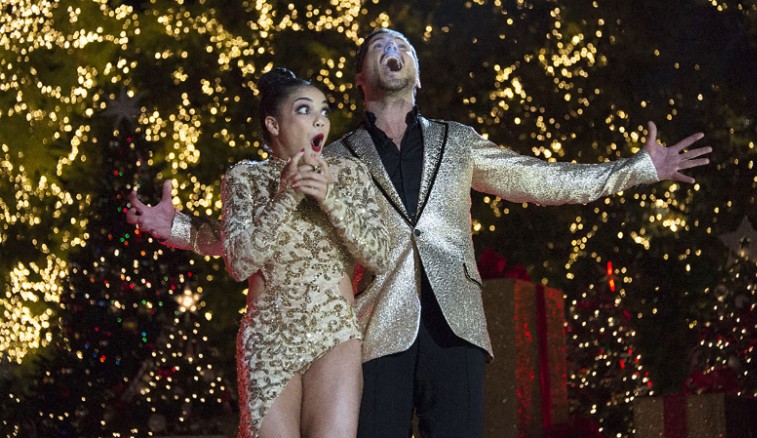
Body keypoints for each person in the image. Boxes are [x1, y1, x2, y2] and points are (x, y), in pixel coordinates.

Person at [128, 29, 712, 438]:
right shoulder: (336, 157)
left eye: (403, 46)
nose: (393, 49)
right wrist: (174, 226)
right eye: (379, 46)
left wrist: (639, 169)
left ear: (417, 74)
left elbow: (543, 179)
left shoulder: (458, 142)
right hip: (374, 331)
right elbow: (254, 236)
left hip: (456, 328)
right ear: (360, 80)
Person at [128, 67, 390, 437]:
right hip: (269, 337)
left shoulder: (349, 173)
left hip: (335, 334)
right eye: (304, 109)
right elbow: (239, 263)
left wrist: (330, 197)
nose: (320, 120)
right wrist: (286, 196)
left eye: (324, 111)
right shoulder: (245, 178)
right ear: (273, 124)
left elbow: (380, 256)